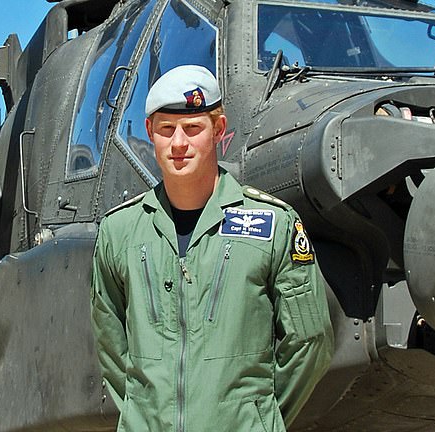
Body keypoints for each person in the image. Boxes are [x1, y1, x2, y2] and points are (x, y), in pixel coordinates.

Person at [91, 65, 334, 432]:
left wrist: (258, 419)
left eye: (192, 129)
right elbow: (111, 342)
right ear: (149, 133)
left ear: (218, 131)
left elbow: (309, 342)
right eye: (166, 129)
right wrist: (145, 415)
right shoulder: (119, 231)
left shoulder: (273, 225)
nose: (178, 144)